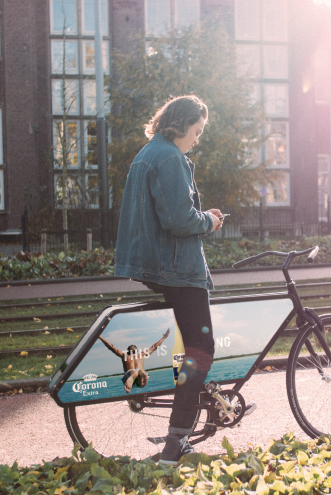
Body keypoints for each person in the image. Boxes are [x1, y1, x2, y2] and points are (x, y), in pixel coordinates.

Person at [114, 95, 224, 465]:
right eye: (197, 131)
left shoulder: (147, 154)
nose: (198, 139)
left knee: (189, 348)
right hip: (178, 268)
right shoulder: (171, 158)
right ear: (182, 125)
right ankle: (176, 444)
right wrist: (208, 220)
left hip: (155, 264)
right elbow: (179, 220)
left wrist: (197, 215)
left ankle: (192, 416)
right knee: (201, 351)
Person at [98, 329, 170, 394]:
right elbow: (154, 347)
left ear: (128, 351)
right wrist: (164, 337)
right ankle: (141, 374)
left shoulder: (125, 356)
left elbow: (112, 347)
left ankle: (135, 375)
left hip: (128, 379)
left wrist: (100, 337)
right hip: (139, 383)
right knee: (138, 371)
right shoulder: (142, 355)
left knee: (135, 372)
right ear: (137, 351)